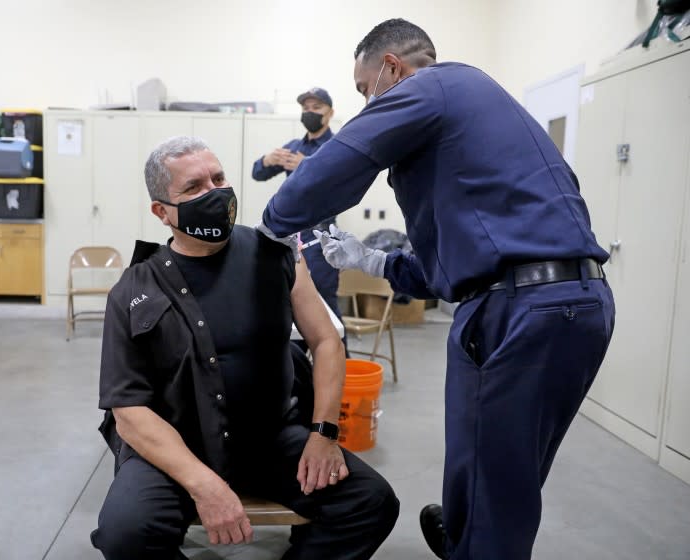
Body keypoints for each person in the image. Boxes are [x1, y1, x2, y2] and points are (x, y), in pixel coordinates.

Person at [257, 18, 616, 560]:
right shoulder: (475, 113)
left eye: (364, 89)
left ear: (392, 68)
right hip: (564, 301)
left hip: (523, 308)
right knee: (495, 465)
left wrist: (271, 227)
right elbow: (461, 259)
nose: (366, 102)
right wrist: (377, 260)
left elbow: (348, 158)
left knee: (498, 483)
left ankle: (475, 542)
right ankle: (462, 538)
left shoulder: (433, 85)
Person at [92, 136, 399, 560]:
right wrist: (204, 484)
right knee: (125, 533)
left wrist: (324, 433)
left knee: (369, 502)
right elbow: (128, 412)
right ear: (161, 211)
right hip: (175, 450)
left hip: (269, 438)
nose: (214, 192)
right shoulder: (134, 288)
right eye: (193, 187)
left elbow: (326, 339)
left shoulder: (276, 255)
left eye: (218, 178)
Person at [251, 88, 344, 328]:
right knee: (290, 305)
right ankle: (298, 363)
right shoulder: (293, 146)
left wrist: (309, 166)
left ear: (330, 113)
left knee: (326, 310)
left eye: (316, 108)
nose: (310, 112)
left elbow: (341, 186)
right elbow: (257, 173)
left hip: (320, 240)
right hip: (290, 238)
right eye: (306, 108)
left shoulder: (337, 146)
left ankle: (340, 364)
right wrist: (266, 160)